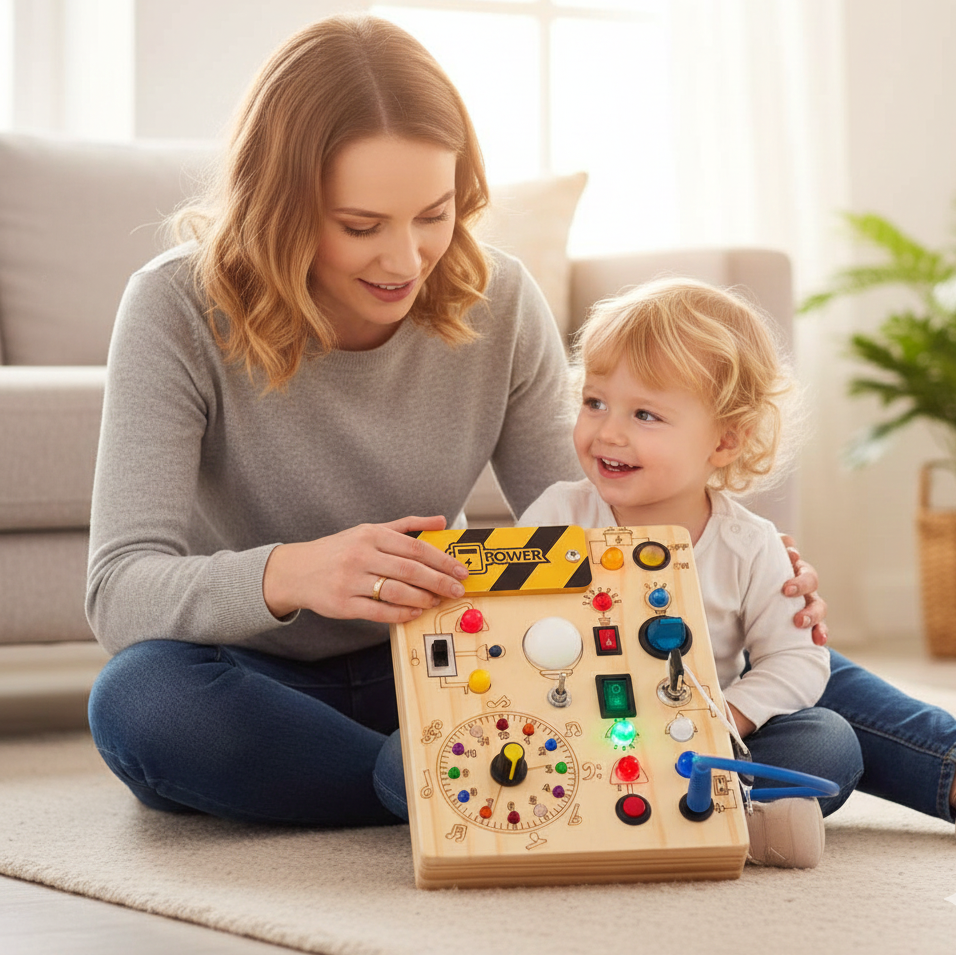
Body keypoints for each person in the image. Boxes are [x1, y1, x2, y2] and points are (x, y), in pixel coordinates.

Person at [86, 14, 828, 829]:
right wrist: (293, 574)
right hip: (264, 680)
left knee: (757, 662)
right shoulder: (174, 307)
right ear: (282, 206)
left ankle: (455, 787)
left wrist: (739, 572)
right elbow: (120, 590)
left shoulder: (499, 298)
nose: (405, 260)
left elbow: (591, 539)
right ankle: (465, 784)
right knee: (144, 703)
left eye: (433, 215)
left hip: (469, 666)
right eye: (361, 227)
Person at [518, 278, 956, 861]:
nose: (608, 431)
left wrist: (729, 715)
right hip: (572, 735)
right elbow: (510, 622)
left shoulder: (751, 544)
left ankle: (701, 806)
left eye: (645, 413)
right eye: (595, 402)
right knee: (404, 770)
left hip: (701, 743)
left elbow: (798, 658)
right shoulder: (558, 515)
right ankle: (704, 813)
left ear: (726, 440)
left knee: (829, 744)